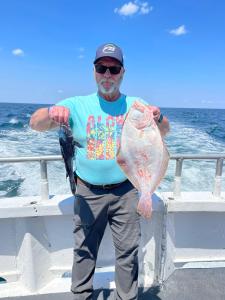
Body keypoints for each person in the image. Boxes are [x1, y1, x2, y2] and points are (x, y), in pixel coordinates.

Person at [30, 42, 170, 300]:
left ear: (123, 73)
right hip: (87, 190)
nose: (107, 75)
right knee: (83, 250)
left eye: (113, 69)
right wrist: (51, 112)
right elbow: (35, 123)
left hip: (128, 189)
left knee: (127, 252)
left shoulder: (136, 105)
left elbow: (164, 132)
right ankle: (81, 295)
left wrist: (158, 118)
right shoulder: (76, 104)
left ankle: (126, 297)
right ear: (94, 71)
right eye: (101, 68)